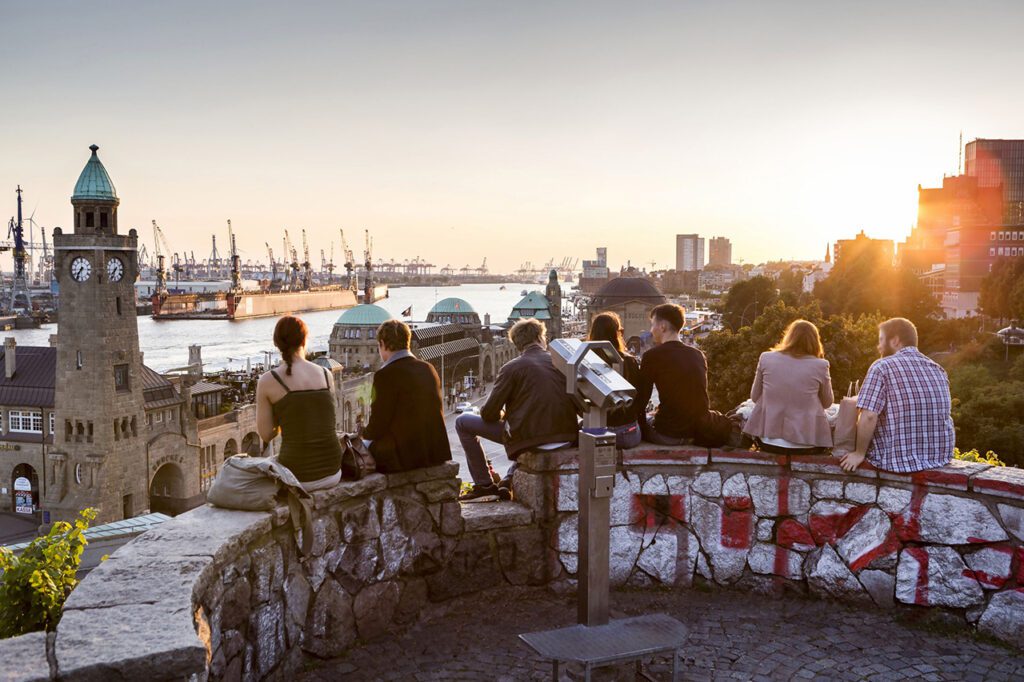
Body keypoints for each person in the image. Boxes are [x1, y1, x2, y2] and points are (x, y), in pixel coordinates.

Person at [457, 318, 579, 502]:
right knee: (523, 426)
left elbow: (488, 414)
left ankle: (484, 485)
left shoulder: (511, 368)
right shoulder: (562, 364)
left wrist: (503, 415)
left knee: (462, 422)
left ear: (517, 343)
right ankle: (507, 480)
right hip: (566, 438)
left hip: (529, 440)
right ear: (540, 338)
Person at [838, 318, 954, 473]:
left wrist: (859, 453)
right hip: (939, 458)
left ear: (895, 341)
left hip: (895, 461)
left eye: (881, 340)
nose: (878, 346)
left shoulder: (882, 367)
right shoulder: (937, 368)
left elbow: (869, 416)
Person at [256, 315, 343, 491]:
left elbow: (266, 434)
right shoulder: (326, 374)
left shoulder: (268, 380)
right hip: (333, 472)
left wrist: (283, 416)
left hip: (296, 476)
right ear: (305, 340)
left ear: (276, 344)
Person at [362, 319, 452, 473]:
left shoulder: (385, 375)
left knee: (354, 450)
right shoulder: (428, 368)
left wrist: (363, 436)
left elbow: (378, 424)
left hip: (404, 458)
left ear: (382, 344)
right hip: (434, 453)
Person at [636, 303, 732, 447]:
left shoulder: (652, 356)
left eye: (652, 324)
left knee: (644, 423)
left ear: (662, 327)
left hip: (668, 435)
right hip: (698, 432)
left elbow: (642, 400)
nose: (651, 330)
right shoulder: (698, 355)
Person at [743, 319, 834, 453]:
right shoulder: (821, 365)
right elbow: (827, 403)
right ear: (815, 341)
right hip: (807, 444)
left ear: (788, 337)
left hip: (768, 441)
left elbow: (755, 397)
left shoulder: (766, 358)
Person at [587, 312, 643, 449]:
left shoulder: (586, 361)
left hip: (597, 432)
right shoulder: (629, 361)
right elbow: (639, 396)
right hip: (628, 434)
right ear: (617, 334)